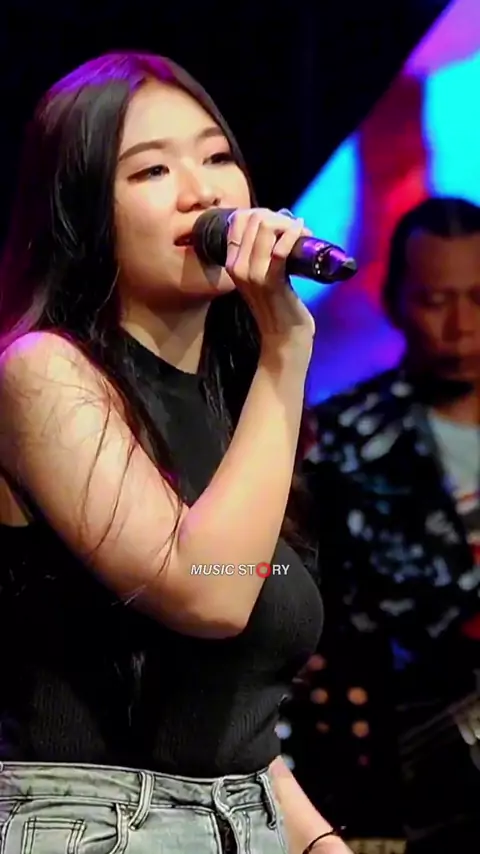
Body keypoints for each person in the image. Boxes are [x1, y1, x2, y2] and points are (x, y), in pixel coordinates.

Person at [0, 50, 352, 854]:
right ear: (81, 209)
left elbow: (230, 732)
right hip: (94, 827)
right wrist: (285, 351)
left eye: (218, 156)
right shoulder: (40, 375)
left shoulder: (235, 409)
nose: (204, 192)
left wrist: (320, 845)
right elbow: (209, 590)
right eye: (153, 169)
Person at [305, 197, 480, 851]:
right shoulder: (342, 440)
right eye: (436, 301)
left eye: (479, 298)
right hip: (407, 779)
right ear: (396, 301)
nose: (460, 326)